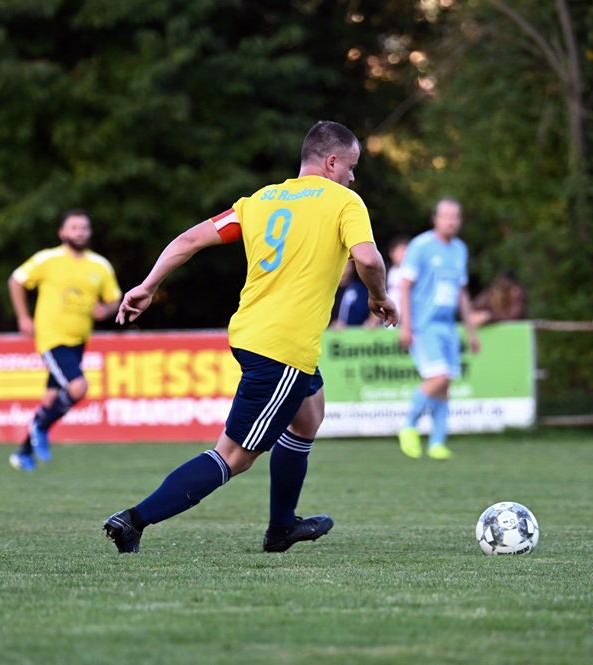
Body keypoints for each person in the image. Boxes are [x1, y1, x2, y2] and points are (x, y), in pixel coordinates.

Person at [103, 121, 397, 554]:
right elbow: (368, 259)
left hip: (252, 334)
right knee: (234, 457)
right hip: (283, 348)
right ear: (332, 162)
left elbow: (190, 239)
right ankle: (133, 520)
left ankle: (282, 528)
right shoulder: (344, 202)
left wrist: (148, 286)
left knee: (308, 416)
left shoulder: (260, 200)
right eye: (351, 167)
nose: (353, 177)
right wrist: (380, 297)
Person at [7, 209, 122, 471]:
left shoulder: (100, 265)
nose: (79, 232)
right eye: (74, 227)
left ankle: (23, 453)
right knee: (78, 387)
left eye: (84, 227)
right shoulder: (48, 259)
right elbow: (16, 280)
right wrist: (23, 317)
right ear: (62, 232)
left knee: (51, 399)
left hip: (79, 340)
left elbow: (114, 298)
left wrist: (106, 309)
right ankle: (40, 427)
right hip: (51, 337)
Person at [397, 198, 480, 461]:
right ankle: (408, 425)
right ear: (436, 218)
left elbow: (461, 293)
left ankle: (437, 443)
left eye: (456, 216)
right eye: (446, 216)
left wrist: (471, 331)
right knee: (439, 377)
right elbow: (405, 286)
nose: (451, 221)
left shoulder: (459, 249)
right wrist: (406, 325)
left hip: (448, 326)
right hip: (424, 325)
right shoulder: (421, 246)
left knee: (445, 386)